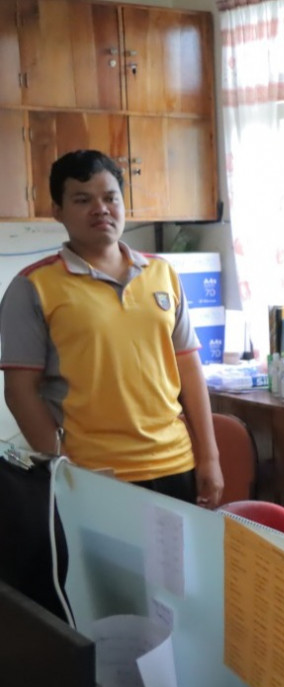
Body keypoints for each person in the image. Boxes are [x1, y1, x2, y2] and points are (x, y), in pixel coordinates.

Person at [0, 150, 223, 507]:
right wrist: (62, 466)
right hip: (93, 474)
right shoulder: (33, 287)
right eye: (82, 199)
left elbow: (188, 369)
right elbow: (20, 391)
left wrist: (209, 457)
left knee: (174, 565)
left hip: (176, 463)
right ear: (58, 210)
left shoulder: (161, 273)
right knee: (104, 566)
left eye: (109, 198)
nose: (100, 209)